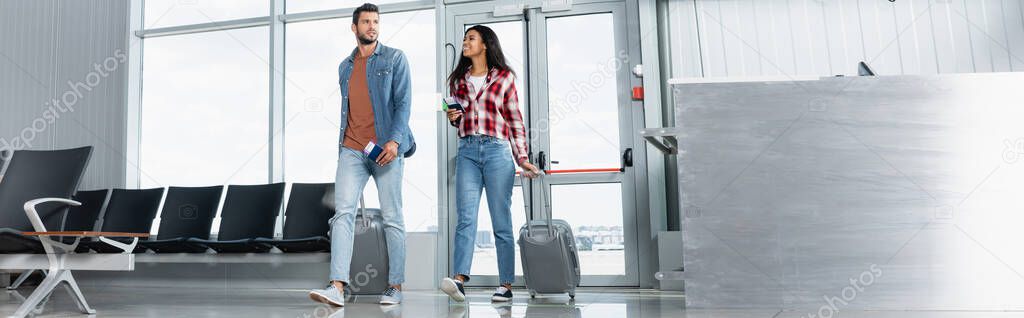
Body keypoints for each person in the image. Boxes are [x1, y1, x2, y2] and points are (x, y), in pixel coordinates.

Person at [308, 2, 415, 307]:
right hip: (352, 149)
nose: (372, 26)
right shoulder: (345, 66)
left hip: (387, 150)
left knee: (393, 216)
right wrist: (344, 145)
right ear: (354, 28)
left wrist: (394, 142)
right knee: (342, 213)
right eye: (366, 22)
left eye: (376, 22)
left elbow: (403, 103)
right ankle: (337, 287)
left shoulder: (395, 58)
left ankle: (395, 285)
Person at [439, 25, 542, 303]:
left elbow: (514, 120)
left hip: (497, 151)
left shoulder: (504, 77)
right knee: (466, 219)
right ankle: (459, 280)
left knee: (501, 221)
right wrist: (453, 118)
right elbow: (457, 117)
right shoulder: (458, 80)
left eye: (470, 38)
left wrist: (522, 158)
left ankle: (506, 285)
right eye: (464, 38)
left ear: (485, 44)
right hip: (468, 151)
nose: (465, 42)